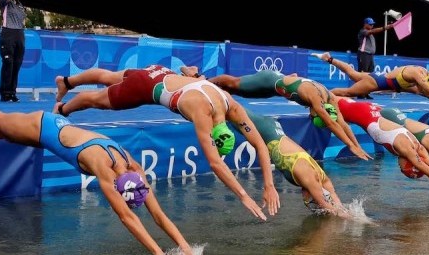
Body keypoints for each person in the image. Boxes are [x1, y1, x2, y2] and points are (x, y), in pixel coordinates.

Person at [0, 107, 198, 255]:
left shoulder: (135, 169)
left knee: (11, 134)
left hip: (56, 133)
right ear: (118, 186)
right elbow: (126, 217)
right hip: (44, 125)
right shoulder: (103, 169)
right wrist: (158, 254)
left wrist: (186, 248)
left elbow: (158, 214)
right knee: (1, 122)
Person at [55, 67, 282, 221]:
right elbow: (215, 164)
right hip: (145, 88)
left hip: (160, 72)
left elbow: (260, 145)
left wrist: (269, 186)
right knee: (97, 100)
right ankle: (62, 109)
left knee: (109, 76)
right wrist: (243, 195)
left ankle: (67, 81)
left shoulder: (230, 104)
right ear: (213, 131)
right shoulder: (201, 112)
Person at [183, 67, 371, 160]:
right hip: (268, 81)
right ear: (318, 111)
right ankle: (198, 78)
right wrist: (350, 145)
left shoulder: (329, 97)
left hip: (277, 88)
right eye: (315, 116)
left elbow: (342, 123)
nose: (312, 116)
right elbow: (331, 123)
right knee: (231, 84)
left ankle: (201, 83)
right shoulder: (315, 98)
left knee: (230, 93)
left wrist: (356, 145)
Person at [333, 96, 429, 204]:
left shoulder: (418, 148)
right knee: (328, 104)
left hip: (371, 110)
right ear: (408, 164)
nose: (399, 168)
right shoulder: (407, 150)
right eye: (402, 169)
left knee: (335, 98)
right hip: (361, 112)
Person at [245, 110, 351, 218]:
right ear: (312, 194)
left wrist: (345, 212)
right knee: (231, 107)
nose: (306, 202)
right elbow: (325, 205)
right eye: (309, 202)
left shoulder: (324, 180)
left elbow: (337, 204)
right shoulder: (309, 179)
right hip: (267, 129)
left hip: (272, 129)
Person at [318, 53, 429, 120]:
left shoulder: (427, 76)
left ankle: (328, 58)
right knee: (348, 92)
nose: (426, 92)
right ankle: (319, 96)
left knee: (353, 73)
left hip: (378, 79)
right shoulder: (415, 75)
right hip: (375, 83)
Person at [0, 0, 34, 102]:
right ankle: (5, 93)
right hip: (8, 34)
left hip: (19, 34)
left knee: (17, 64)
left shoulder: (19, 5)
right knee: (8, 63)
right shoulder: (4, 1)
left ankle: (12, 93)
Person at [356, 17, 394, 93]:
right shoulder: (362, 32)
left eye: (372, 24)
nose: (371, 26)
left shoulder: (370, 33)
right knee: (362, 74)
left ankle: (366, 93)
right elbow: (373, 31)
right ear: (365, 24)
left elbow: (372, 31)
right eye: (370, 24)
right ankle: (359, 93)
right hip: (364, 54)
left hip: (370, 55)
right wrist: (385, 28)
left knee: (370, 74)